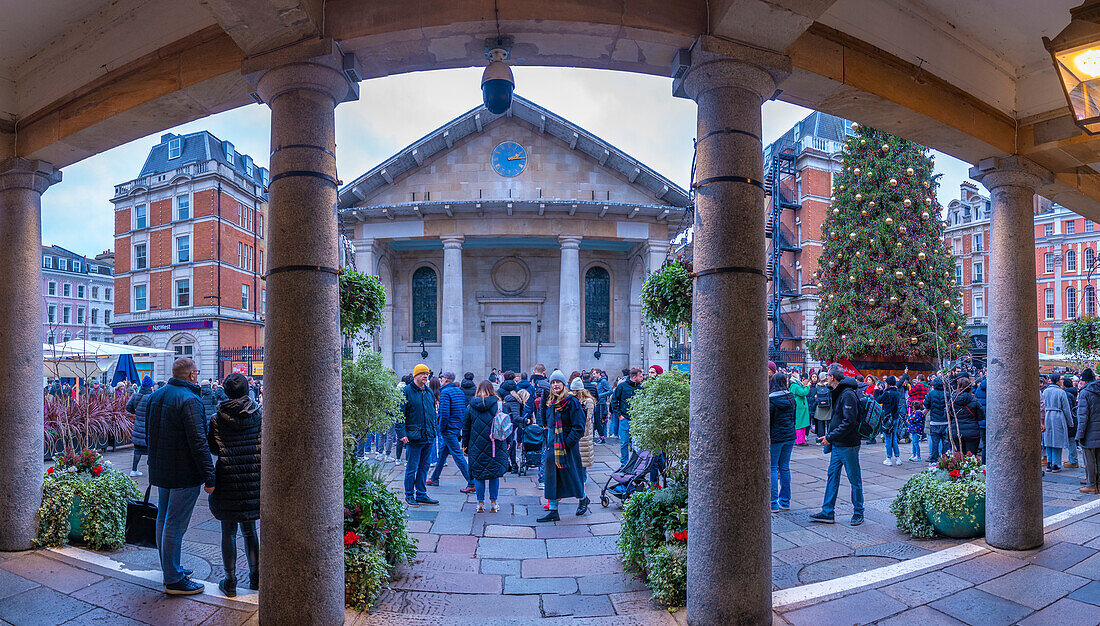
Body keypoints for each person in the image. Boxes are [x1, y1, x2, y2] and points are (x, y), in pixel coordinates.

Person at [146, 357, 214, 595]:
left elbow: (149, 434)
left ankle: (170, 568)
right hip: (183, 472)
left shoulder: (156, 395)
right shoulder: (190, 400)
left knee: (163, 519)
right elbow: (198, 441)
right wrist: (210, 476)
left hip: (161, 469)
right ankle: (173, 578)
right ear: (192, 375)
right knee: (175, 524)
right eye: (196, 371)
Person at [207, 373, 261, 597]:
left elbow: (212, 448)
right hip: (252, 475)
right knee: (249, 530)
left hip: (227, 477)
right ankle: (255, 578)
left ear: (226, 392)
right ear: (246, 391)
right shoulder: (258, 414)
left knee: (227, 531)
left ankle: (230, 582)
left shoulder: (217, 418)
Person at [809, 364, 864, 526]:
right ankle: (827, 511)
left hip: (848, 444)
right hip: (838, 444)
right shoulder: (840, 392)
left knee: (854, 479)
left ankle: (858, 512)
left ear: (832, 377)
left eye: (827, 376)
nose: (825, 378)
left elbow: (849, 422)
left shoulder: (847, 395)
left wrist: (830, 437)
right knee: (832, 476)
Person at [539, 370, 588, 521]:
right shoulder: (550, 402)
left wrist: (567, 444)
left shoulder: (571, 401)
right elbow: (549, 424)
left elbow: (579, 427)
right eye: (553, 382)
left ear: (563, 384)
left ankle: (583, 498)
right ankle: (553, 511)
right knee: (551, 477)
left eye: (558, 382)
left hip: (567, 446)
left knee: (572, 476)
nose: (555, 385)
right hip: (552, 444)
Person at [461, 381, 509, 513]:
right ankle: (494, 503)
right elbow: (507, 424)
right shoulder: (500, 405)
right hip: (496, 445)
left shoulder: (471, 407)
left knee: (478, 474)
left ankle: (480, 503)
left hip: (476, 445)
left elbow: (466, 428)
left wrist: (464, 444)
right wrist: (508, 441)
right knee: (494, 474)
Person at [397, 364, 441, 507]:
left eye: (427, 374)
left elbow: (432, 414)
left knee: (425, 467)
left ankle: (421, 494)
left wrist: (434, 430)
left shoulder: (428, 392)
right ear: (415, 375)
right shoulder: (406, 392)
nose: (425, 376)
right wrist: (402, 433)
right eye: (422, 373)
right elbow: (399, 415)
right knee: (412, 468)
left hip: (428, 436)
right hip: (414, 437)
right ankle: (409, 495)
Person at [428, 372, 476, 493]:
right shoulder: (459, 391)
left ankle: (472, 482)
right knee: (443, 453)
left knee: (458, 456)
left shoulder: (445, 392)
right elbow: (462, 410)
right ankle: (434, 478)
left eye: (442, 378)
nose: (441, 380)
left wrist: (441, 428)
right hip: (456, 426)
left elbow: (444, 414)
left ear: (446, 380)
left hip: (448, 428)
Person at [768, 372, 796, 512]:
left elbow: (769, 422)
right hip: (790, 436)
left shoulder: (771, 400)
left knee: (773, 468)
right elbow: (793, 418)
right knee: (784, 467)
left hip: (776, 438)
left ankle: (773, 503)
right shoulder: (791, 398)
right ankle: (785, 501)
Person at [610, 368, 643, 467]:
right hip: (625, 418)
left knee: (637, 445)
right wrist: (619, 415)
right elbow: (614, 400)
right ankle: (624, 464)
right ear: (634, 377)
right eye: (640, 376)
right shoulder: (622, 386)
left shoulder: (642, 387)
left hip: (638, 420)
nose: (642, 378)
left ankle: (635, 464)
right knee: (624, 443)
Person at [1043, 373, 1074, 473]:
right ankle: (1056, 464)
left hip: (1047, 416)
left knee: (1048, 440)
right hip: (1058, 416)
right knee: (1057, 440)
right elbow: (1066, 408)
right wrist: (1070, 422)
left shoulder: (1045, 392)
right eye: (1061, 379)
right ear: (1057, 381)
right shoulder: (1061, 392)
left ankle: (1049, 463)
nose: (1062, 381)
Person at [1076, 369, 1100, 494]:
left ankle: (1091, 485)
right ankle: (1099, 485)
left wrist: (1080, 434)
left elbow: (1082, 417)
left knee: (1089, 460)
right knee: (1099, 459)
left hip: (1090, 432)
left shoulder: (1085, 393)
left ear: (1083, 380)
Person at [126, 376, 155, 477]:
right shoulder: (152, 397)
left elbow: (128, 407)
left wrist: (136, 412)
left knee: (137, 450)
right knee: (151, 450)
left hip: (138, 428)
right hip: (149, 428)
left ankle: (134, 470)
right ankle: (152, 472)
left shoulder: (136, 396)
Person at [948, 377, 983, 456]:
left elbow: (947, 415)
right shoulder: (974, 400)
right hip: (972, 432)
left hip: (956, 431)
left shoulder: (952, 400)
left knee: (960, 456)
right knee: (971, 457)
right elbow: (981, 416)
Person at [570, 378, 596, 487]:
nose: (572, 392)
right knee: (577, 458)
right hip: (576, 432)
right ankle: (577, 479)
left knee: (583, 459)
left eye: (574, 391)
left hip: (584, 434)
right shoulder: (573, 399)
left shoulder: (588, 401)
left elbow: (587, 418)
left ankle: (583, 479)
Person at [879, 376, 905, 466]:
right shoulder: (896, 392)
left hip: (888, 418)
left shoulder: (887, 393)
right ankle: (898, 458)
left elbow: (878, 399)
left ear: (888, 383)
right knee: (894, 438)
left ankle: (888, 458)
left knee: (888, 439)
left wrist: (877, 390)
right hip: (895, 417)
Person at [924, 377, 949, 466]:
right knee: (945, 443)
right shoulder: (946, 394)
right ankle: (945, 460)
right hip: (945, 421)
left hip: (934, 421)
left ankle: (933, 461)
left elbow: (926, 404)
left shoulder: (930, 393)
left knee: (935, 443)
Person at [789, 372, 811, 446]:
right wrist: (808, 386)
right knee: (800, 424)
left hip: (798, 406)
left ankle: (799, 440)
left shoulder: (793, 385)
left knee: (800, 423)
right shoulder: (796, 386)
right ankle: (799, 441)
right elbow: (803, 393)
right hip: (800, 407)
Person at [1066, 376, 1081, 469]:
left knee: (1071, 440)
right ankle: (1072, 459)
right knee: (1072, 440)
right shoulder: (1073, 392)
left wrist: (1069, 421)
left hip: (1071, 420)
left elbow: (1068, 409)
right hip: (1074, 418)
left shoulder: (1067, 394)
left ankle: (1073, 460)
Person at [812, 372, 832, 443]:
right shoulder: (829, 385)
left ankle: (820, 439)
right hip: (828, 406)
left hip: (819, 406)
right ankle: (829, 438)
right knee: (829, 422)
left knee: (820, 422)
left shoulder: (817, 385)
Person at [596, 369, 613, 441]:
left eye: (594, 374)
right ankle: (601, 437)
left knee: (600, 421)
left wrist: (600, 395)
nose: (593, 376)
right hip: (598, 403)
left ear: (599, 374)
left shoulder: (603, 381)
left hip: (601, 403)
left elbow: (610, 391)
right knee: (597, 421)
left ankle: (602, 438)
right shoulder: (598, 382)